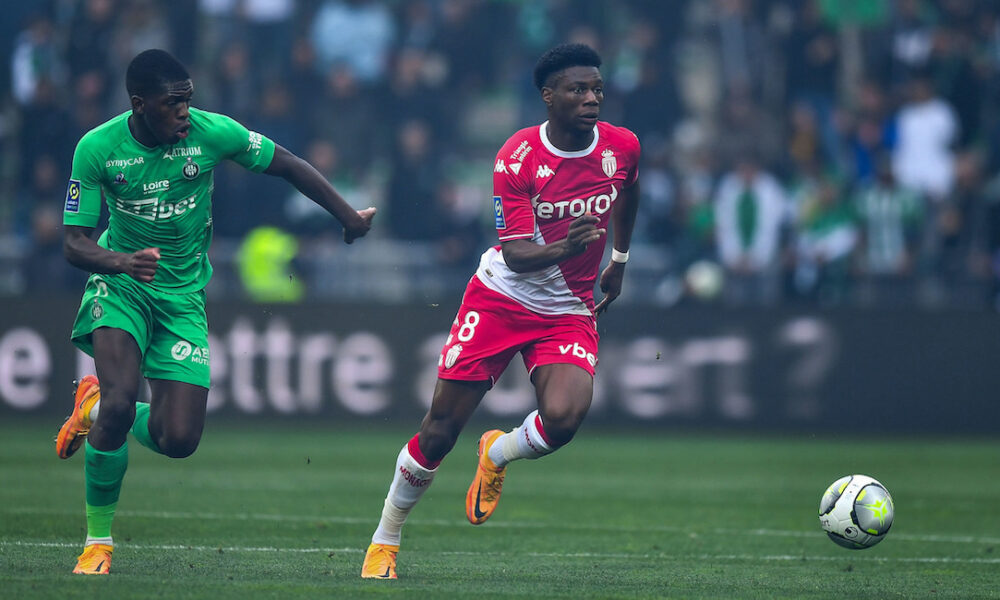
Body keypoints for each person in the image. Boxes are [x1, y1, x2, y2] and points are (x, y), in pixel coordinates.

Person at [54, 48, 375, 575]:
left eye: (188, 100)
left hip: (183, 297)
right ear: (139, 105)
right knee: (121, 402)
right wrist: (121, 262)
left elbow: (288, 164)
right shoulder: (98, 149)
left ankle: (90, 408)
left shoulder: (213, 132)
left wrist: (348, 217)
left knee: (179, 439)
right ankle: (98, 543)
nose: (184, 111)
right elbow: (73, 243)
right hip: (122, 284)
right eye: (172, 103)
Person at [360, 42, 641, 580]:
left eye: (597, 89)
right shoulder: (518, 157)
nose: (592, 99)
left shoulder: (622, 146)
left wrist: (619, 259)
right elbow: (514, 253)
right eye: (578, 90)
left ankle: (497, 454)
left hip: (568, 309)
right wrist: (567, 246)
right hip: (501, 300)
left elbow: (630, 189)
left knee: (565, 418)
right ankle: (384, 540)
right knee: (440, 431)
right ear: (549, 96)